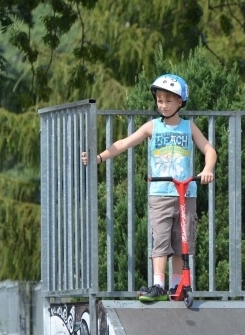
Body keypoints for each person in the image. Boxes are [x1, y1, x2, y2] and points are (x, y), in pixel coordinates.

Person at [81, 74, 216, 302]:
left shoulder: (188, 127)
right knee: (160, 241)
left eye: (168, 100)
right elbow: (124, 143)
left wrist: (207, 169)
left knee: (181, 242)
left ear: (181, 101)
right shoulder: (152, 127)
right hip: (161, 194)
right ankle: (158, 285)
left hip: (186, 193)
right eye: (159, 100)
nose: (162, 105)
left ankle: (177, 286)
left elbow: (209, 150)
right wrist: (99, 158)